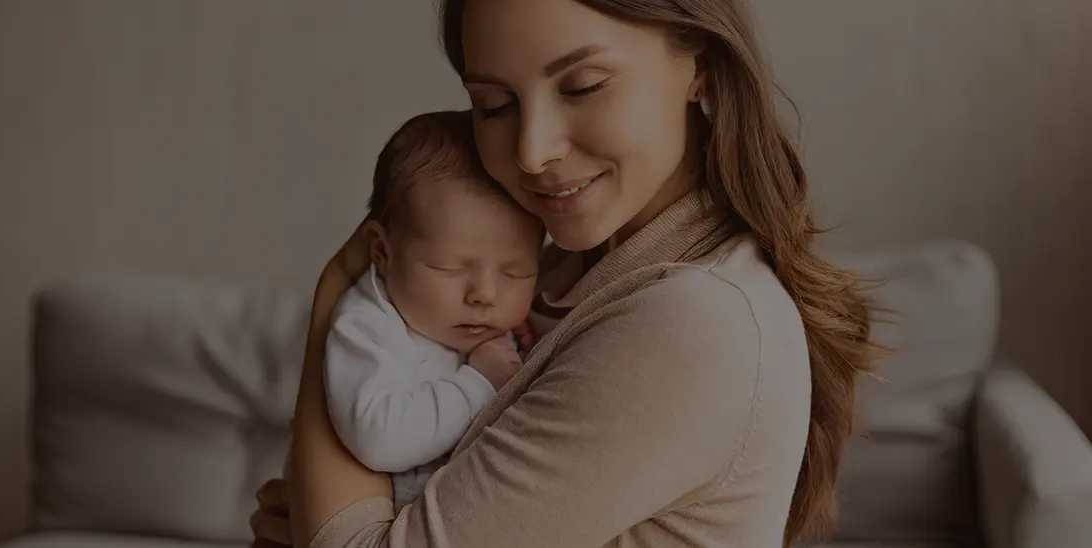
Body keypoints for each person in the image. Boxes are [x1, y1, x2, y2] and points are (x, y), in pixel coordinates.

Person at [250, 0, 882, 546]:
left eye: (582, 86)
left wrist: (342, 285)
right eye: (494, 105)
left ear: (702, 66)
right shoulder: (555, 279)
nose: (532, 151)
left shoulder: (693, 319)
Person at [322, 110, 543, 513]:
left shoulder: (499, 329)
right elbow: (379, 438)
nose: (485, 295)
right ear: (383, 252)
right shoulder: (368, 325)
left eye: (515, 273)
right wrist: (478, 382)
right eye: (450, 268)